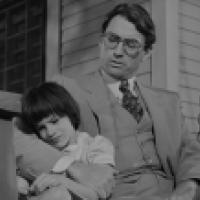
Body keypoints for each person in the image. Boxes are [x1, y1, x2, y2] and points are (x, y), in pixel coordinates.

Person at [14, 3, 200, 200]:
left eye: (130, 44)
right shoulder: (67, 88)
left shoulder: (168, 101)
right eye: (113, 39)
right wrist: (72, 167)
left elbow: (190, 152)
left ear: (147, 53)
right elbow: (17, 138)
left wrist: (188, 187)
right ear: (101, 42)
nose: (118, 51)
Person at [15, 82, 115, 200]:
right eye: (41, 128)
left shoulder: (96, 145)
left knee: (59, 194)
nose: (50, 132)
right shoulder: (44, 152)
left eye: (54, 121)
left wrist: (60, 181)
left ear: (70, 114)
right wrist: (20, 183)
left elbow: (100, 192)